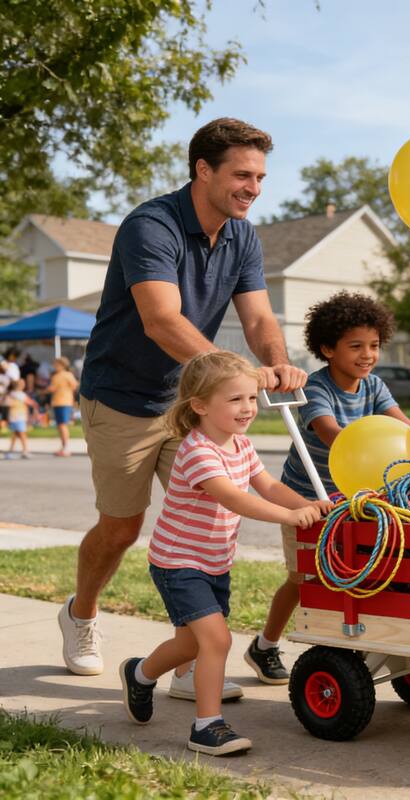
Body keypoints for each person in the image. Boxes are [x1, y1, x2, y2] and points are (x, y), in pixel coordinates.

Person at [58, 118, 307, 693]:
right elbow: (161, 321)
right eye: (243, 175)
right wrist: (241, 375)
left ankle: (189, 662)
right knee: (121, 528)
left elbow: (260, 317)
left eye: (260, 177)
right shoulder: (152, 226)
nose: (254, 188)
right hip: (124, 396)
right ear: (203, 170)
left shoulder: (243, 235)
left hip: (191, 400)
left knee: (210, 518)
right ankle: (82, 615)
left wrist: (277, 358)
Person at [119, 351, 332, 755]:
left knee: (189, 646)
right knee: (216, 641)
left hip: (213, 561)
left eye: (251, 398)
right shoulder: (198, 451)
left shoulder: (241, 445)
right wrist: (291, 516)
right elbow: (236, 500)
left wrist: (308, 503)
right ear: (199, 406)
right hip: (179, 562)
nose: (248, 408)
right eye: (235, 400)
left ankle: (140, 674)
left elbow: (267, 487)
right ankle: (207, 726)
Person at [244, 292, 410, 684]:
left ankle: (368, 638)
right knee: (302, 577)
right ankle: (265, 645)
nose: (367, 354)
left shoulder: (373, 386)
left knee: (364, 570)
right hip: (306, 498)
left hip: (356, 500)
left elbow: (401, 423)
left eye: (373, 345)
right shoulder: (316, 389)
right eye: (355, 346)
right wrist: (371, 443)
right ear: (327, 348)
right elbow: (332, 434)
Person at [46, 357, 79, 456]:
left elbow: (74, 385)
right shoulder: (61, 375)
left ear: (62, 365)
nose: (54, 366)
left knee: (62, 425)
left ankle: (66, 448)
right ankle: (63, 446)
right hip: (59, 402)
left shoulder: (64, 375)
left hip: (63, 402)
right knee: (60, 425)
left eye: (56, 364)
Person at [5, 378, 39, 458]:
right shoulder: (19, 394)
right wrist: (35, 406)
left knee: (15, 434)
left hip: (13, 416)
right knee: (22, 434)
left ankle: (11, 451)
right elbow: (30, 402)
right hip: (19, 417)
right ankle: (25, 451)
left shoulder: (11, 394)